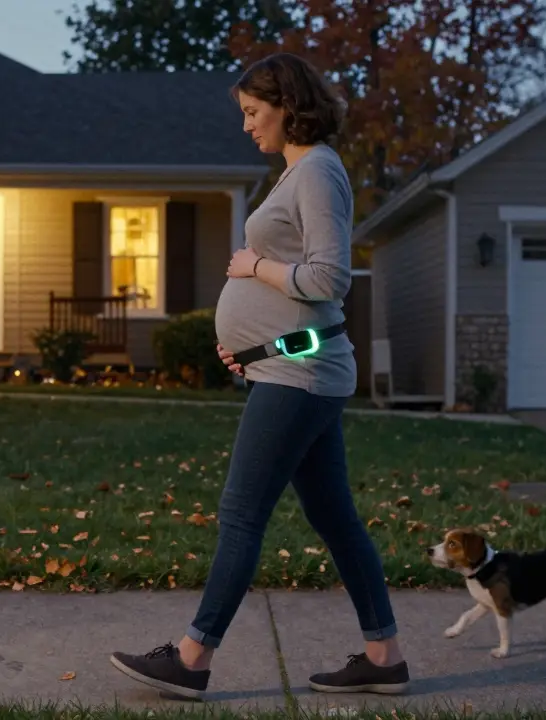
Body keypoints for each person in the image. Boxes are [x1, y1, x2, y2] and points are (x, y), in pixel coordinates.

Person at [108, 52, 410, 700]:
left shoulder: (317, 171)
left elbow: (329, 279)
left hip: (300, 373)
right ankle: (383, 657)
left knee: (242, 513)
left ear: (286, 105)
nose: (246, 125)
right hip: (290, 363)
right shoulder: (298, 173)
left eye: (252, 112)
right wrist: (250, 348)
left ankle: (192, 658)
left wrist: (253, 268)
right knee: (335, 519)